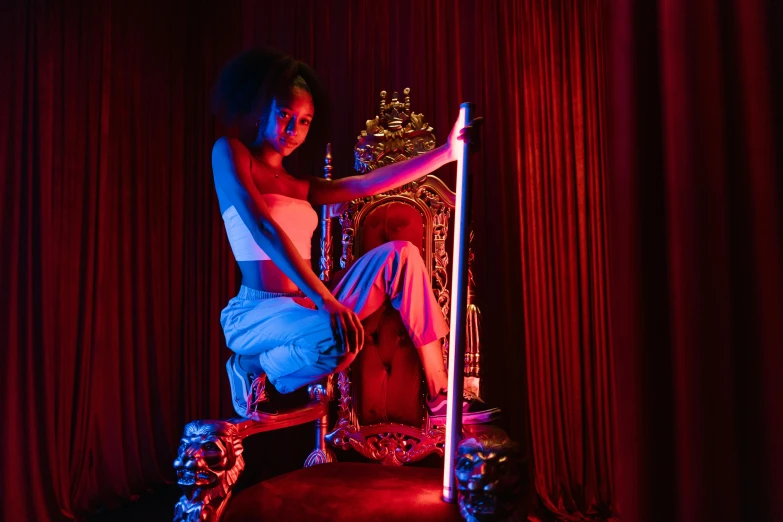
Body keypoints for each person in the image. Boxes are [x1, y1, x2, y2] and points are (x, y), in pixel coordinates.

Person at [210, 48, 498, 424]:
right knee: (340, 342)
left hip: (309, 303)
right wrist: (326, 299)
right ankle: (249, 364)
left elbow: (366, 184)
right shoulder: (231, 154)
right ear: (263, 110)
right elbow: (264, 229)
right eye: (284, 115)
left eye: (304, 121)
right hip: (260, 311)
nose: (293, 130)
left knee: (402, 255)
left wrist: (445, 153)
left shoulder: (302, 185)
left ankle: (440, 391)